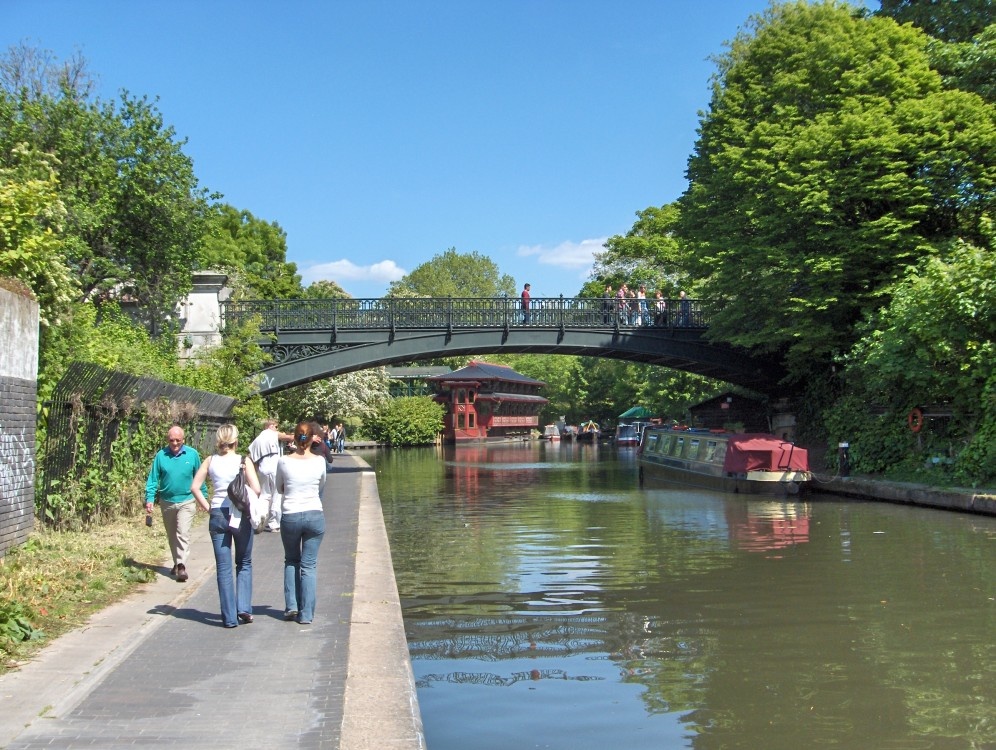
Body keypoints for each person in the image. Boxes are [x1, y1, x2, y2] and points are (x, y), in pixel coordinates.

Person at [191, 423, 261, 628]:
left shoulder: (210, 461)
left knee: (223, 568)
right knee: (244, 562)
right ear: (236, 441)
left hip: (218, 515)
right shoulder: (243, 461)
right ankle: (244, 608)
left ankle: (229, 618)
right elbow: (256, 489)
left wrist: (207, 507)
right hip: (239, 514)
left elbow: (194, 486)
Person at [275, 421, 328, 625]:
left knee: (291, 560)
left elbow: (279, 488)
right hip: (314, 514)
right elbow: (321, 484)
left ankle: (292, 606)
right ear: (311, 438)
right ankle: (306, 615)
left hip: (291, 514)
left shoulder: (284, 461)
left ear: (294, 439)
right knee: (309, 565)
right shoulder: (320, 461)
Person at [144, 425, 206, 583]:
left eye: (178, 440)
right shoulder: (161, 455)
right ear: (167, 440)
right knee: (172, 535)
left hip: (187, 500)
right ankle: (177, 561)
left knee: (182, 533)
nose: (175, 443)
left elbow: (200, 477)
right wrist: (150, 499)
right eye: (172, 440)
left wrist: (202, 498)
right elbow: (153, 479)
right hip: (167, 501)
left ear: (183, 440)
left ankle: (181, 566)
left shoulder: (192, 455)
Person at [247, 418, 293, 534]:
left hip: (262, 468)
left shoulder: (257, 440)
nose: (278, 429)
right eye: (276, 427)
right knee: (277, 495)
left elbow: (252, 457)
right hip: (274, 466)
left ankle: (260, 516)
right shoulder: (272, 434)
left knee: (264, 494)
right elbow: (288, 437)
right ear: (271, 426)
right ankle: (274, 524)